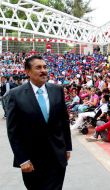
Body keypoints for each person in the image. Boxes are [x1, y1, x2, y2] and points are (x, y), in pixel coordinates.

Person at [6, 55, 72, 190]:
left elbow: (64, 121)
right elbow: (13, 131)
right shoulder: (15, 95)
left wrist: (68, 147)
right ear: (28, 72)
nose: (43, 70)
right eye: (38, 67)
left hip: (57, 156)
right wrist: (22, 159)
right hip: (32, 160)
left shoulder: (57, 90)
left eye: (45, 67)